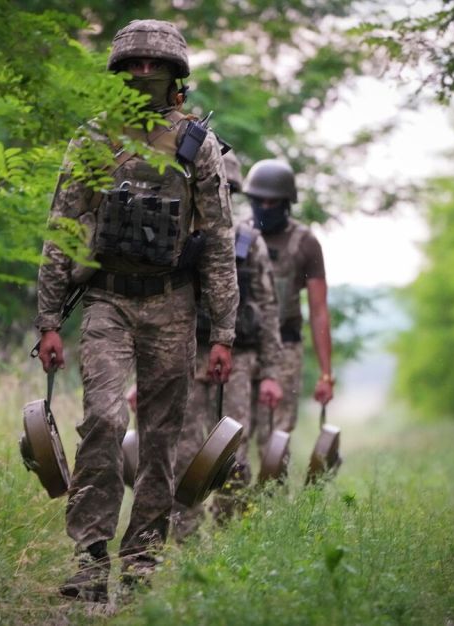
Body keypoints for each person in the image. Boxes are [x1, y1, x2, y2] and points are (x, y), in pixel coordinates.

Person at [34, 19, 238, 603]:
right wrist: (48, 320)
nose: (145, 72)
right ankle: (91, 557)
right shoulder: (94, 138)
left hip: (173, 305)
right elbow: (62, 229)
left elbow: (220, 243)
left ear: (175, 72)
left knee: (162, 437)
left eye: (156, 63)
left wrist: (221, 331)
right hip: (107, 301)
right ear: (120, 71)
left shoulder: (198, 145)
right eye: (135, 63)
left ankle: (144, 558)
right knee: (102, 418)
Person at [172, 150, 283, 539]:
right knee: (183, 451)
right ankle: (183, 538)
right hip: (187, 354)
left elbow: (268, 311)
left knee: (232, 455)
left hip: (238, 361)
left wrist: (270, 373)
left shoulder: (249, 242)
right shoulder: (179, 233)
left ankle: (228, 538)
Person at [243, 159, 335, 457]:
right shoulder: (237, 235)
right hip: (242, 345)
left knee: (276, 436)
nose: (265, 207)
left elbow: (319, 310)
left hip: (286, 346)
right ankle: (231, 503)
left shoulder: (305, 243)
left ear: (286, 203)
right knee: (235, 432)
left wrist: (325, 374)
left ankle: (271, 501)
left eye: (273, 202)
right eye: (259, 201)